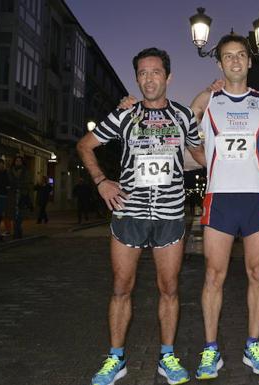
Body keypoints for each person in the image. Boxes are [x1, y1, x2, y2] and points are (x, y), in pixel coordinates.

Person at [78, 47, 205, 385]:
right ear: (137, 78)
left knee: (169, 288)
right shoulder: (125, 115)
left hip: (169, 216)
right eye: (143, 73)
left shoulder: (183, 116)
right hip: (129, 214)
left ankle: (167, 356)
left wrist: (235, 145)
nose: (149, 79)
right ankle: (115, 359)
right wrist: (102, 181)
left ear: (168, 77)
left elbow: (200, 155)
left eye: (156, 72)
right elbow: (84, 145)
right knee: (121, 287)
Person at [189, 34, 259, 379]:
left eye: (240, 55)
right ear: (219, 63)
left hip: (258, 197)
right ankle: (210, 349)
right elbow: (180, 129)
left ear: (249, 61)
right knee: (214, 276)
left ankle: (253, 345)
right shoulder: (210, 99)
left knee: (257, 273)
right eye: (227, 56)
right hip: (220, 197)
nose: (234, 61)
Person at [8, 155, 31, 239]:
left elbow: (27, 181)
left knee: (20, 213)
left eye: (19, 161)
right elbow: (9, 180)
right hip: (13, 194)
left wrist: (21, 187)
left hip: (22, 194)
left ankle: (18, 230)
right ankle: (16, 231)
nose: (18, 162)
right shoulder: (10, 171)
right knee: (14, 213)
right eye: (16, 161)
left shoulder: (25, 171)